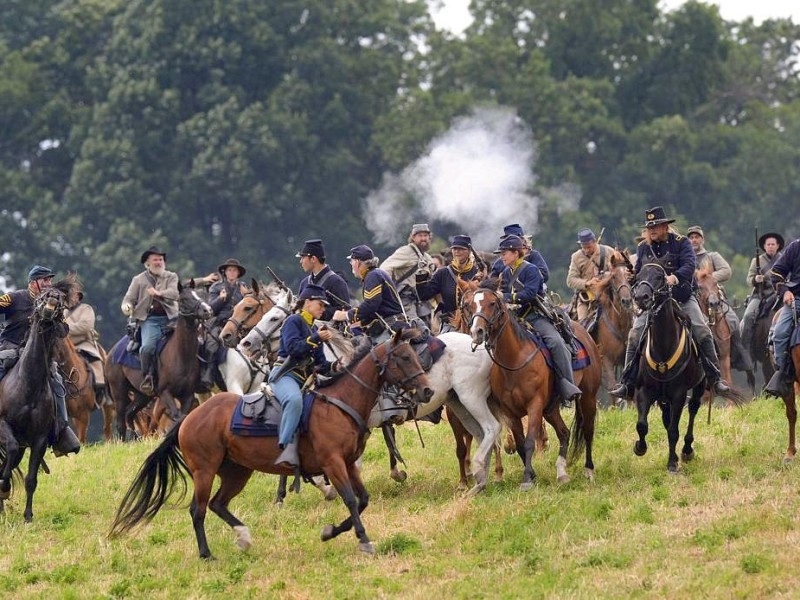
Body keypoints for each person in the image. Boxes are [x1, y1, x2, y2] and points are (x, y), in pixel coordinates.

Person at [610, 208, 731, 399]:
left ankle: (715, 379)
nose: (651, 231)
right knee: (634, 335)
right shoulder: (643, 248)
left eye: (655, 226)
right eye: (649, 227)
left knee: (702, 330)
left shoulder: (681, 243)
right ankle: (627, 383)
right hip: (654, 303)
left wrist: (675, 277)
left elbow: (690, 266)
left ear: (665, 226)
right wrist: (634, 277)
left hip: (681, 298)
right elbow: (641, 272)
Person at [0, 265, 81, 456]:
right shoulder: (14, 298)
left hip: (38, 358)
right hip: (10, 349)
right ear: (32, 282)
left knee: (58, 382)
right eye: (44, 280)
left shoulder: (53, 303)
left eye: (50, 280)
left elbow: (63, 331)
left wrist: (53, 317)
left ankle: (61, 429)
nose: (48, 283)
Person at [495, 234, 583, 406]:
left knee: (556, 342)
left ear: (515, 253)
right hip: (514, 318)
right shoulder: (505, 273)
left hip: (534, 315)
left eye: (504, 253)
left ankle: (568, 388)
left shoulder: (531, 269)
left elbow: (529, 294)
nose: (501, 256)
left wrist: (505, 296)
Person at [268, 284, 333, 468]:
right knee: (294, 401)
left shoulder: (314, 329)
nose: (323, 309)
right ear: (308, 302)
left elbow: (320, 364)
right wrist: (316, 339)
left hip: (305, 380)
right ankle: (286, 448)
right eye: (320, 304)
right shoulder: (293, 321)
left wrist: (336, 366)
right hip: (285, 375)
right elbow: (293, 348)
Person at [686, 225, 750, 370]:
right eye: (691, 238)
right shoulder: (684, 258)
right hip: (690, 298)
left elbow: (726, 271)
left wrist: (707, 278)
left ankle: (738, 354)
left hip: (713, 297)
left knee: (733, 320)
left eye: (697, 237)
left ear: (702, 239)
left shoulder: (712, 256)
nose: (694, 240)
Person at [121, 246, 179, 395]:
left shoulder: (171, 276)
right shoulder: (138, 280)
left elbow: (174, 293)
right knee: (147, 348)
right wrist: (126, 306)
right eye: (155, 259)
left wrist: (159, 293)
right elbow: (129, 298)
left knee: (195, 340)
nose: (159, 262)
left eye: (161, 259)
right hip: (150, 320)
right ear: (147, 262)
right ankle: (147, 377)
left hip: (172, 319)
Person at [332, 245, 406, 344]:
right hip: (390, 323)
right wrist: (358, 323)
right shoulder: (374, 274)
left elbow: (371, 305)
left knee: (369, 354)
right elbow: (374, 310)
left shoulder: (372, 276)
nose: (351, 264)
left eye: (351, 261)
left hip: (391, 326)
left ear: (357, 262)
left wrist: (346, 315)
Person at [199, 258, 249, 391]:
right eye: (229, 270)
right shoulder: (216, 287)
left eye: (234, 270)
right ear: (225, 272)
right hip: (220, 324)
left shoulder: (243, 287)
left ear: (238, 273)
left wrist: (247, 295)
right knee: (211, 345)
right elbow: (210, 310)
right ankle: (209, 373)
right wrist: (220, 299)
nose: (232, 273)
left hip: (239, 325)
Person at [418, 235, 481, 333]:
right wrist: (421, 277)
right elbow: (424, 295)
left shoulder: (477, 273)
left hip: (473, 324)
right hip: (450, 325)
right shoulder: (442, 273)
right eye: (454, 249)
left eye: (461, 249)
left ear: (469, 251)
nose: (457, 251)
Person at [379, 224, 436, 327]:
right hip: (405, 299)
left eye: (425, 235)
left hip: (421, 302)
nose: (423, 239)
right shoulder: (406, 251)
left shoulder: (428, 258)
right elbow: (385, 268)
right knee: (415, 328)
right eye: (420, 236)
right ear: (413, 237)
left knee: (428, 328)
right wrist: (387, 290)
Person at [764, 237, 800, 397]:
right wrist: (785, 291)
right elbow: (777, 272)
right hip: (797, 299)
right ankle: (783, 375)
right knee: (779, 333)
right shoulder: (795, 247)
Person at [64, 285, 109, 407]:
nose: (70, 298)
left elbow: (85, 327)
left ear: (78, 297)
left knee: (96, 361)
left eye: (72, 295)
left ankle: (102, 389)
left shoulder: (86, 309)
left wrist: (65, 327)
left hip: (84, 344)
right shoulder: (63, 312)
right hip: (66, 346)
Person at [741, 232, 784, 352]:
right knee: (748, 316)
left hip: (780, 295)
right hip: (760, 295)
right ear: (764, 246)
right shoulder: (757, 261)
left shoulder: (784, 259)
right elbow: (749, 279)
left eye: (773, 244)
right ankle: (745, 350)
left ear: (777, 245)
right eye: (768, 244)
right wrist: (756, 279)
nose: (770, 246)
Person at [566, 228, 616, 322]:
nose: (586, 250)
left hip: (609, 295)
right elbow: (570, 280)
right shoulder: (576, 257)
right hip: (587, 298)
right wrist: (587, 283)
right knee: (583, 325)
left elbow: (618, 271)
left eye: (589, 247)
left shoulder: (609, 252)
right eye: (583, 247)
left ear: (595, 241)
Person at [296, 239, 351, 321]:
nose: (301, 262)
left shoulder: (337, 282)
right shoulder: (304, 282)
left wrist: (317, 312)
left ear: (313, 259)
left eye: (303, 257)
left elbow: (344, 311)